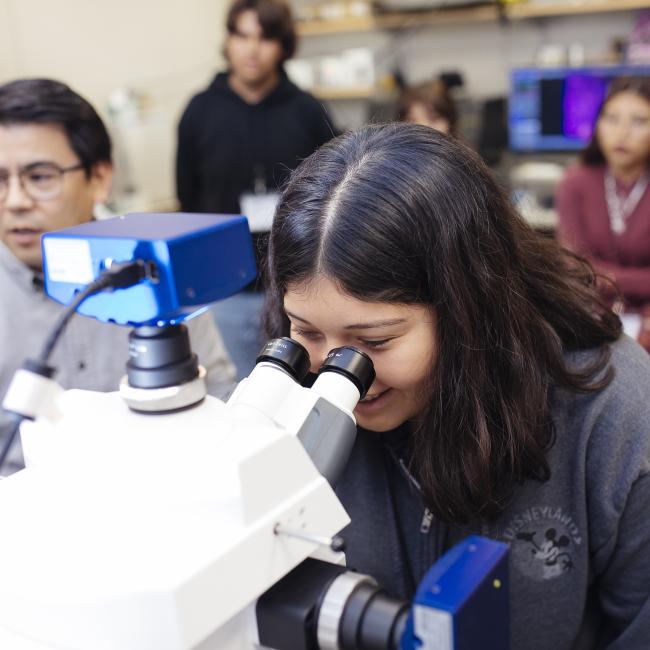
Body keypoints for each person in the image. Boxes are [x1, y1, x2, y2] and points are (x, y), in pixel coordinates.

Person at [262, 123, 650, 649]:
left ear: (469, 307)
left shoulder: (610, 409)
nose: (339, 376)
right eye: (305, 331)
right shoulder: (286, 392)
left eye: (374, 341)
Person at [0, 78, 237, 472]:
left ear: (99, 178)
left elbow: (220, 397)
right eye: (0, 181)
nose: (17, 202)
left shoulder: (157, 269)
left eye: (40, 177)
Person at [176, 0, 335, 378]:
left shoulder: (307, 111)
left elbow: (333, 193)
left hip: (298, 286)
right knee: (234, 389)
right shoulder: (200, 111)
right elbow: (188, 197)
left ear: (283, 47)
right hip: (223, 287)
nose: (251, 49)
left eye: (264, 38)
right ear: (228, 41)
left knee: (301, 387)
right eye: (242, 35)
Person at [555, 75, 650, 352]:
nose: (622, 132)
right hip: (591, 315)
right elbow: (574, 267)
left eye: (639, 121)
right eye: (611, 118)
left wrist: (606, 278)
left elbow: (592, 272)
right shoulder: (575, 181)